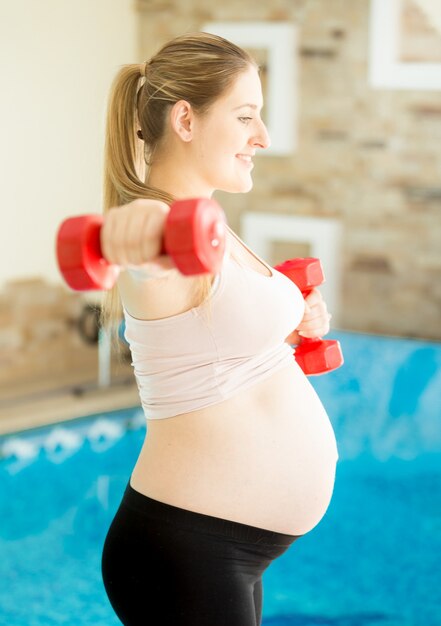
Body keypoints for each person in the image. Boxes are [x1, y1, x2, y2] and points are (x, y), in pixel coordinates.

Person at [100, 32, 339, 626]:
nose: (262, 137)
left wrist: (293, 320)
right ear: (185, 119)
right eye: (246, 117)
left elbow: (212, 339)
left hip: (220, 549)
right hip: (185, 548)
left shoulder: (210, 224)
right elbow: (141, 244)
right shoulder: (157, 220)